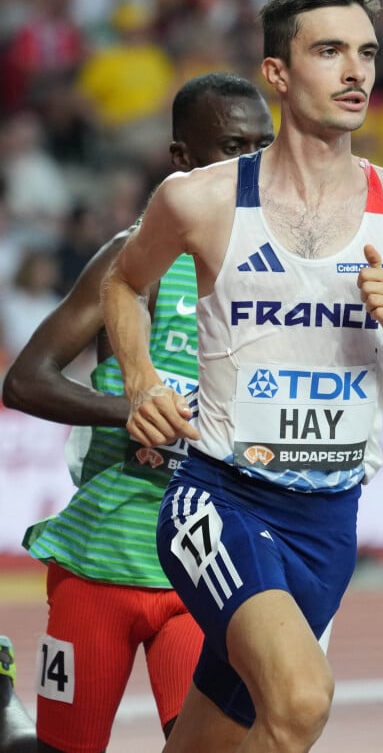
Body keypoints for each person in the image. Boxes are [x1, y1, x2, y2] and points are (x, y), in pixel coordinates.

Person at [101, 0, 383, 753]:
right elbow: (122, 280)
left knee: (217, 741)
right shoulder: (200, 200)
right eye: (330, 51)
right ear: (278, 74)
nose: (356, 72)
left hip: (328, 523)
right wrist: (142, 380)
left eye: (367, 53)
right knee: (303, 700)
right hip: (220, 498)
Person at [1, 72, 275, 753]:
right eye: (233, 146)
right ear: (182, 157)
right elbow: (25, 381)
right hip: (103, 559)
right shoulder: (132, 260)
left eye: (264, 146)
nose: (254, 166)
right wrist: (130, 410)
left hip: (203, 564)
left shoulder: (280, 275)